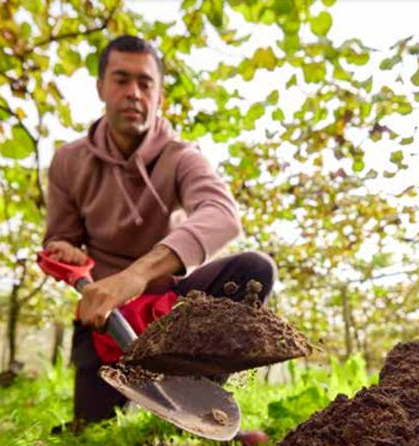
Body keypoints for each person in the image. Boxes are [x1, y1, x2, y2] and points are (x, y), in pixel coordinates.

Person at [43, 35, 277, 425]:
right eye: (121, 80)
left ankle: (196, 396)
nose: (133, 93)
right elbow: (59, 235)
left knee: (254, 271)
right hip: (105, 311)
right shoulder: (69, 161)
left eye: (145, 83)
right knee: (91, 434)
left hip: (171, 306)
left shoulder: (183, 157)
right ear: (101, 88)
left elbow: (222, 214)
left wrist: (135, 276)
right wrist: (63, 249)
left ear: (159, 96)